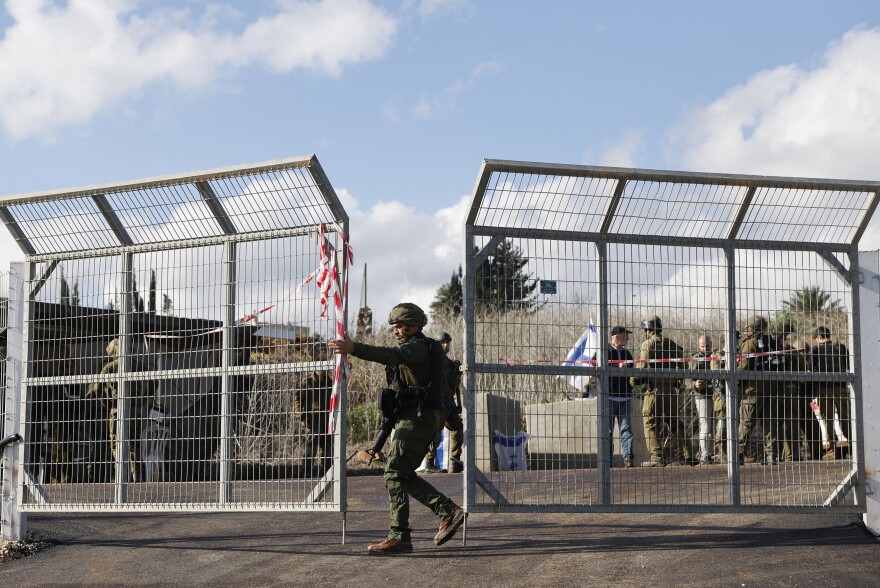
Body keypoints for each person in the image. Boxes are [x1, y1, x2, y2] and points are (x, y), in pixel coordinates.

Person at [329, 303, 465, 554]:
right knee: (402, 474)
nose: (396, 330)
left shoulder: (418, 349)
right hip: (416, 418)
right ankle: (447, 511)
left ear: (415, 326)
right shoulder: (420, 347)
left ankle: (400, 536)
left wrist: (354, 348)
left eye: (400, 326)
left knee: (394, 473)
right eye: (393, 326)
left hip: (418, 419)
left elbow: (390, 355)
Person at [632, 316, 690, 467]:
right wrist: (678, 381)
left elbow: (643, 368)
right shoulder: (671, 344)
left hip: (654, 389)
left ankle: (656, 457)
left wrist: (633, 379)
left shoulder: (647, 344)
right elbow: (683, 365)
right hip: (670, 389)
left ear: (648, 330)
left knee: (650, 421)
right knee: (674, 421)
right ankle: (688, 454)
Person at [736, 316, 779, 465]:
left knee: (746, 422)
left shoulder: (750, 343)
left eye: (747, 328)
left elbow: (743, 365)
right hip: (771, 388)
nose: (745, 330)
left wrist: (735, 381)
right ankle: (771, 455)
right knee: (769, 423)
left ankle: (738, 454)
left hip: (753, 390)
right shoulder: (772, 342)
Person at [421, 332, 464, 474]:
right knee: (435, 432)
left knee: (457, 426)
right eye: (442, 342)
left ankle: (455, 461)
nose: (445, 345)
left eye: (447, 342)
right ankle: (429, 463)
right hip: (437, 401)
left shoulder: (450, 364)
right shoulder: (432, 361)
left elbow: (455, 386)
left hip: (449, 403)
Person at [594, 326, 635, 468]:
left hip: (624, 397)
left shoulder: (627, 354)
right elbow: (596, 368)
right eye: (625, 336)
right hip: (608, 397)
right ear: (617, 338)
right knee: (608, 431)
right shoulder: (603, 352)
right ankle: (607, 461)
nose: (628, 339)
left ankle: (628, 459)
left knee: (626, 429)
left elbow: (632, 370)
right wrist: (618, 368)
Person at [810, 326, 850, 460]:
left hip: (823, 389)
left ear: (819, 337)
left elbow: (811, 370)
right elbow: (848, 366)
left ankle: (834, 449)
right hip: (841, 387)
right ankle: (853, 445)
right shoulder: (841, 347)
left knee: (828, 419)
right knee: (846, 417)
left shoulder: (815, 350)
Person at [297, 369, 334, 476]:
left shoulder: (331, 382)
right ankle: (306, 472)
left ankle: (327, 473)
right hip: (312, 420)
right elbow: (298, 398)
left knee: (328, 448)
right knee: (311, 447)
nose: (321, 369)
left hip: (328, 420)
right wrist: (301, 416)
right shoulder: (307, 382)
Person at [689, 334, 716, 465]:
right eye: (703, 346)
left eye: (708, 346)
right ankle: (705, 456)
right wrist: (695, 384)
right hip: (702, 395)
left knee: (717, 426)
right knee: (705, 425)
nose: (705, 348)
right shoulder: (696, 359)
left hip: (717, 395)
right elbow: (688, 379)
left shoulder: (717, 356)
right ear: (698, 346)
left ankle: (713, 453)